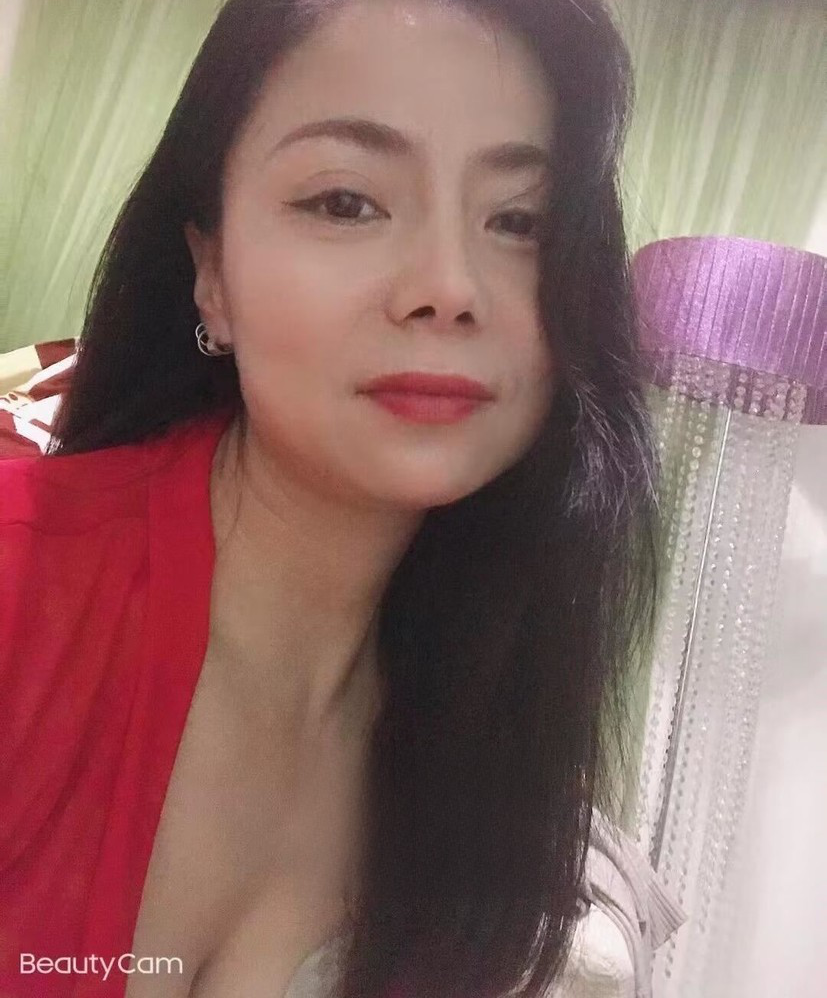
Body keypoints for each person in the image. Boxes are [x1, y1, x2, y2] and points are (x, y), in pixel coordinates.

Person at [0, 0, 684, 996]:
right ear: (211, 273)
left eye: (519, 221)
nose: (449, 286)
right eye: (345, 202)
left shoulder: (492, 750)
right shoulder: (21, 582)